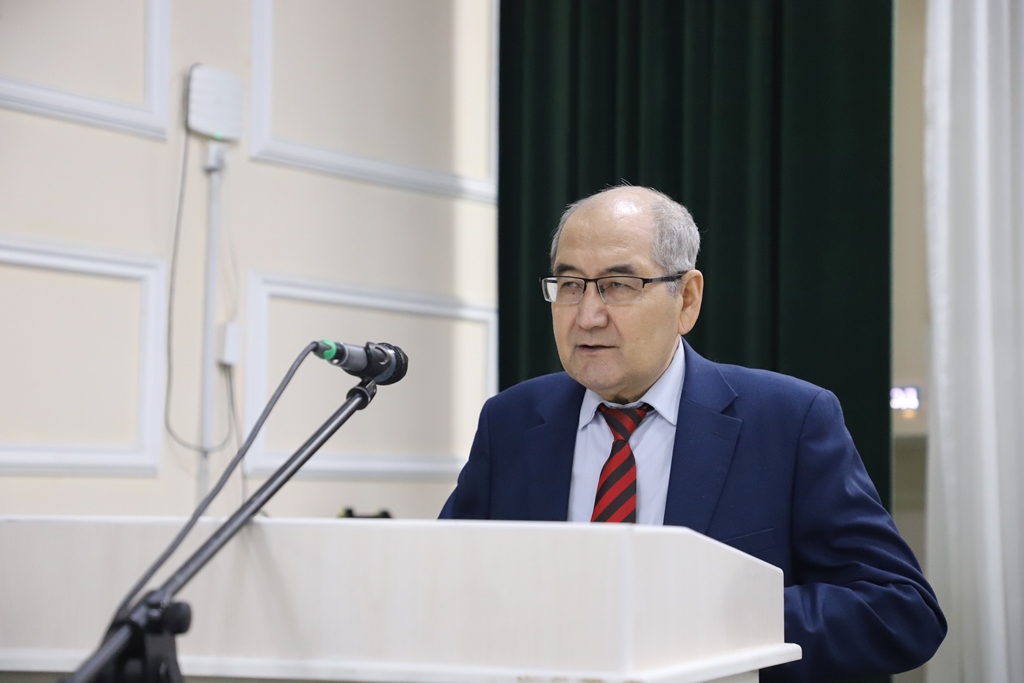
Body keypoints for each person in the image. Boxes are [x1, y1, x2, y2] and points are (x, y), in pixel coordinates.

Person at [439, 185, 946, 682]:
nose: (587, 316)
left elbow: (901, 610)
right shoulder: (511, 422)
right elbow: (444, 590)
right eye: (571, 285)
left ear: (686, 298)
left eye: (619, 285)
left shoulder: (789, 421)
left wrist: (716, 617)